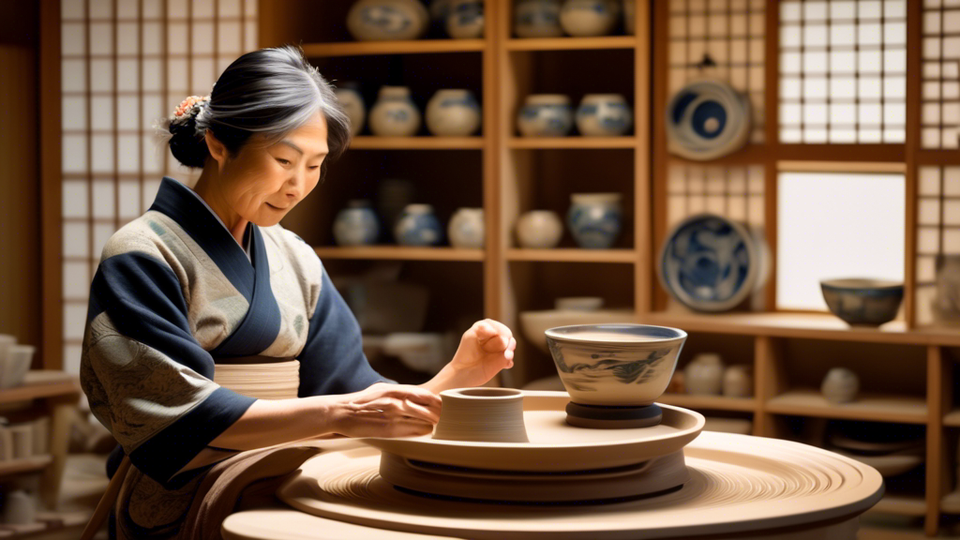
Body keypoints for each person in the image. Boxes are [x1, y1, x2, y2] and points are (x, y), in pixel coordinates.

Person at [79, 45, 516, 539]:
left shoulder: (295, 256)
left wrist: (459, 373)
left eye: (315, 165)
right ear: (219, 143)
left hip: (286, 473)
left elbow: (355, 400)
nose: (298, 185)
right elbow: (175, 420)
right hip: (188, 492)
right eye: (284, 159)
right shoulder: (140, 253)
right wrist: (341, 414)